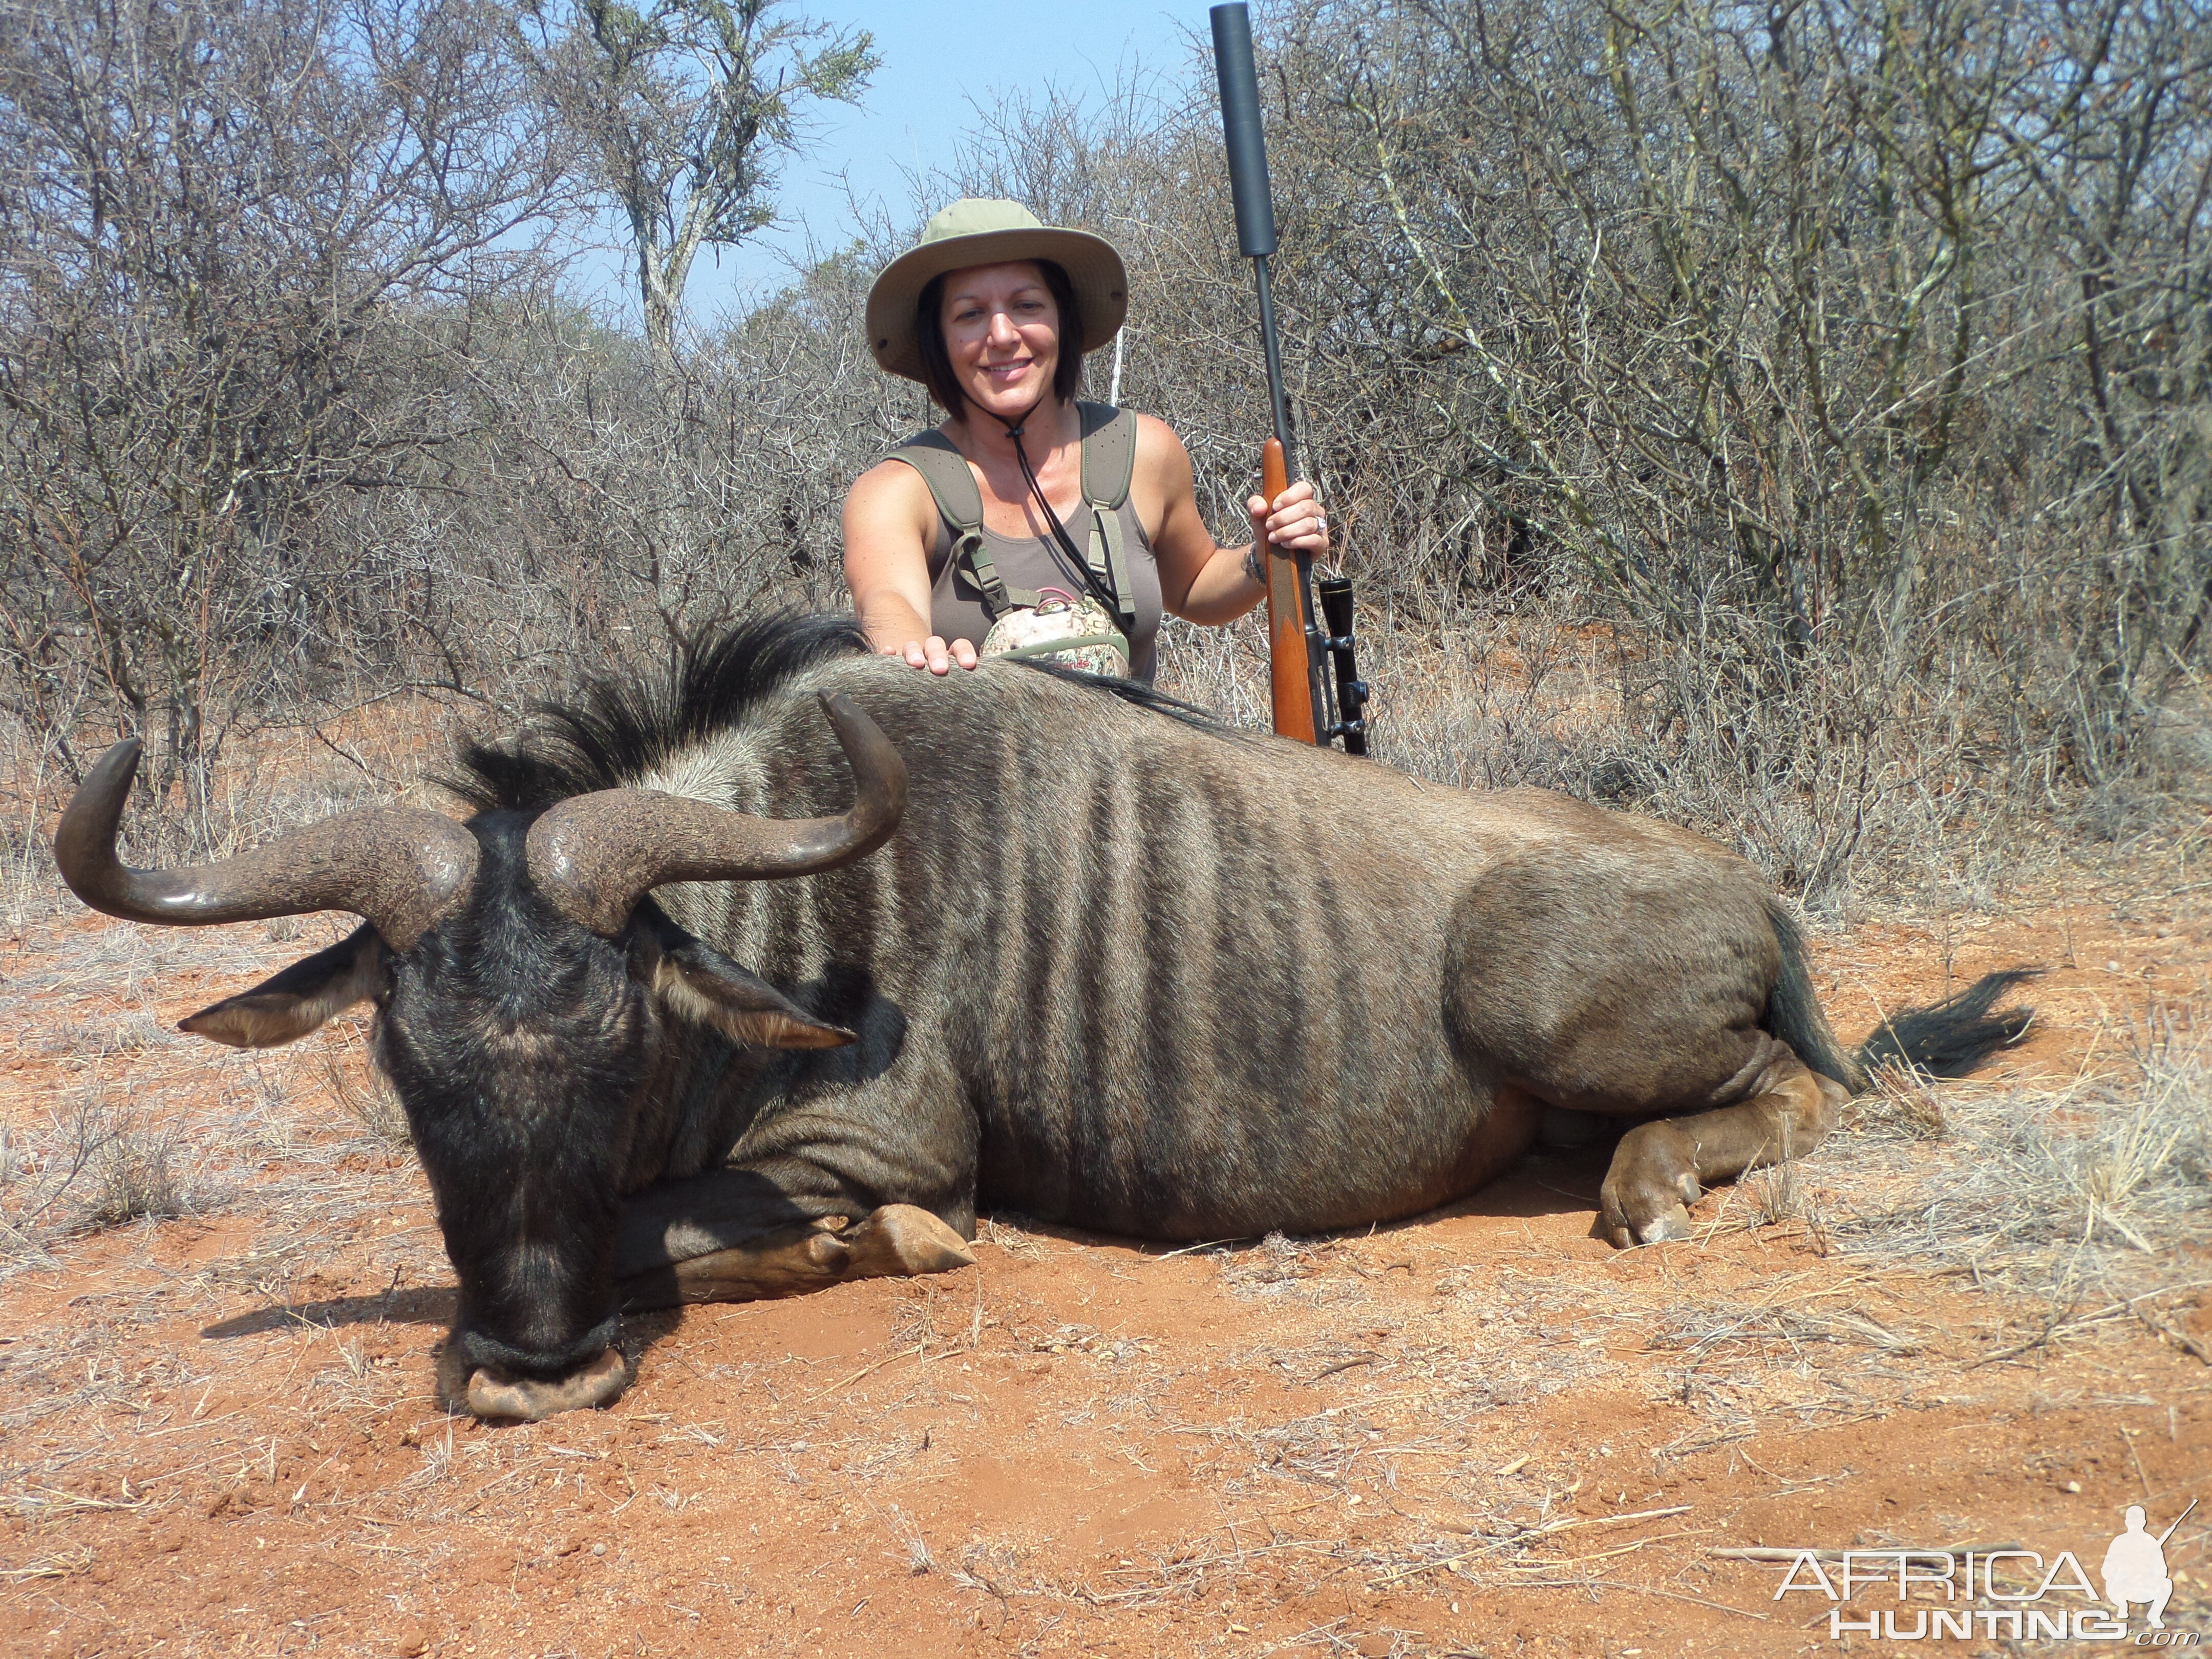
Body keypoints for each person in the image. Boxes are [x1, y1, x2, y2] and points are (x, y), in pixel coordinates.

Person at [843, 199, 1328, 682]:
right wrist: (907, 650)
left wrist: (1265, 556)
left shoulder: (1145, 451)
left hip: (1137, 759)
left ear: (1062, 319)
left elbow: (1194, 585)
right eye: (969, 314)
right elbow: (888, 602)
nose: (1002, 335)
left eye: (1027, 305)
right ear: (938, 342)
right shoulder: (895, 491)